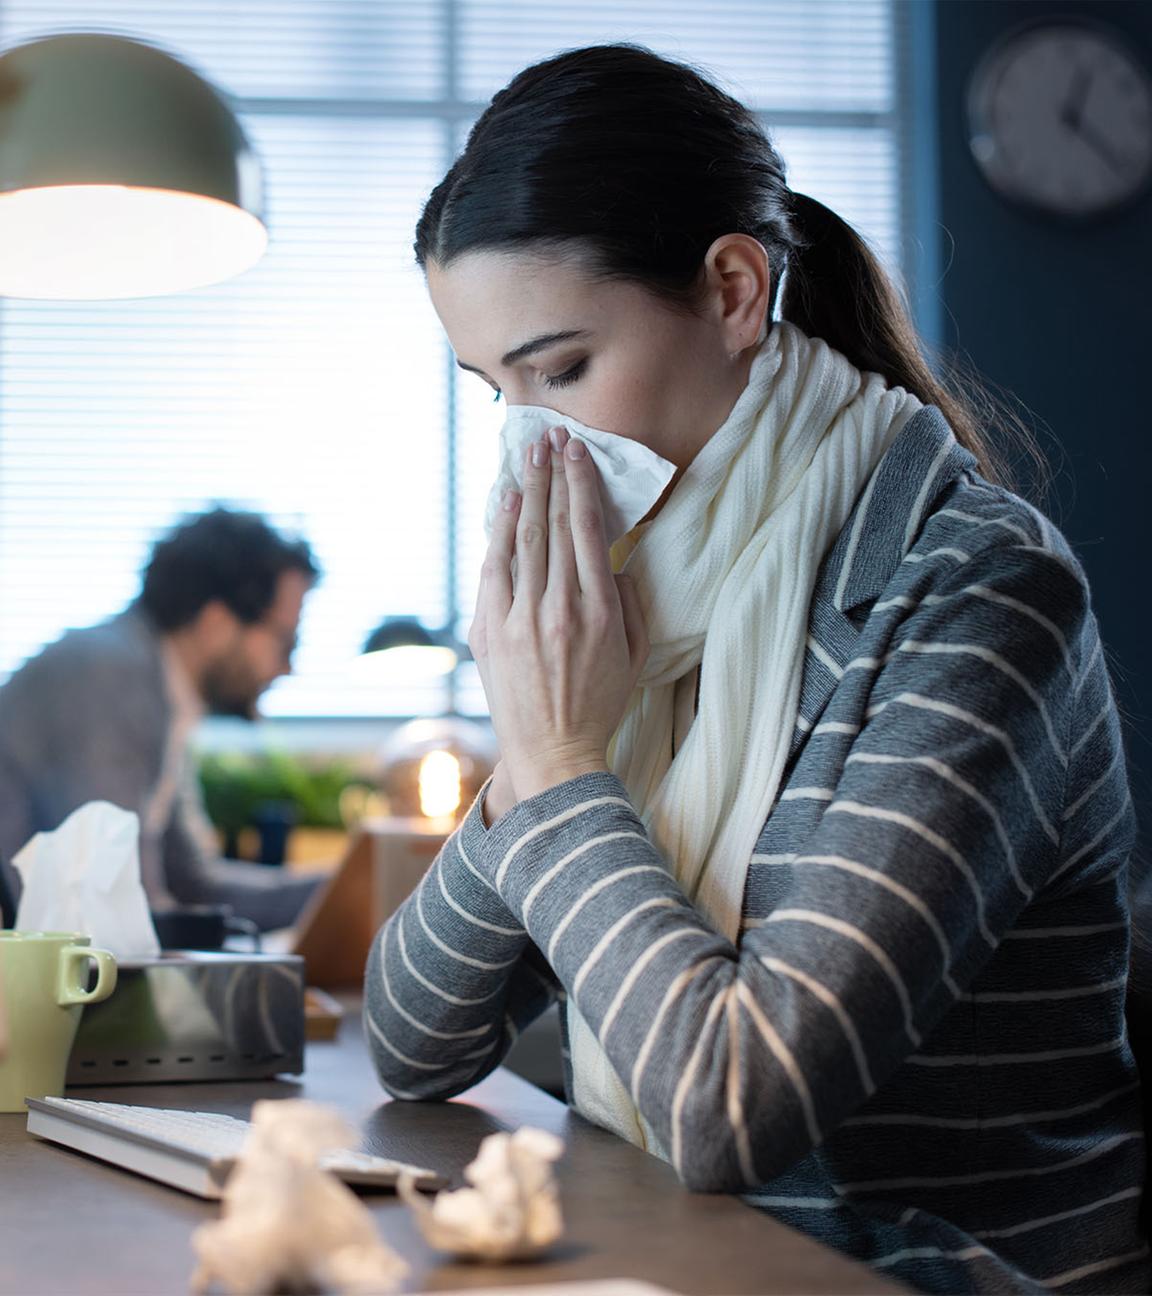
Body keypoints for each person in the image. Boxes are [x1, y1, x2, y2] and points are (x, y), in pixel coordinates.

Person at [363, 44, 1145, 1294]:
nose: (530, 447)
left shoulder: (976, 592)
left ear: (735, 291)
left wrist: (565, 760)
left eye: (561, 370)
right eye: (493, 392)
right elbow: (409, 1044)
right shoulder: (642, 600)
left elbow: (733, 1108)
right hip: (680, 1257)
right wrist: (535, 750)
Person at [0, 507, 324, 931]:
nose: (288, 668)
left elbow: (196, 887)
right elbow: (113, 906)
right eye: (287, 640)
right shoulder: (104, 674)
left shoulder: (163, 697)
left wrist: (347, 889)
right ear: (216, 623)